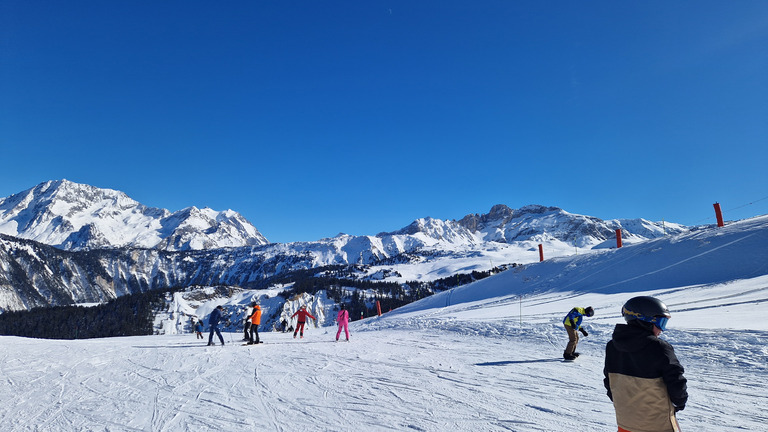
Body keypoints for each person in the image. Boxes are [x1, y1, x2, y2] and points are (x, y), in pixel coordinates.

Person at [604, 296, 687, 432]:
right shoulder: (660, 347)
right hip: (657, 424)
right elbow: (676, 382)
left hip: (626, 422)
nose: (661, 330)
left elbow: (610, 383)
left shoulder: (612, 346)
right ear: (645, 321)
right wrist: (679, 402)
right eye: (661, 323)